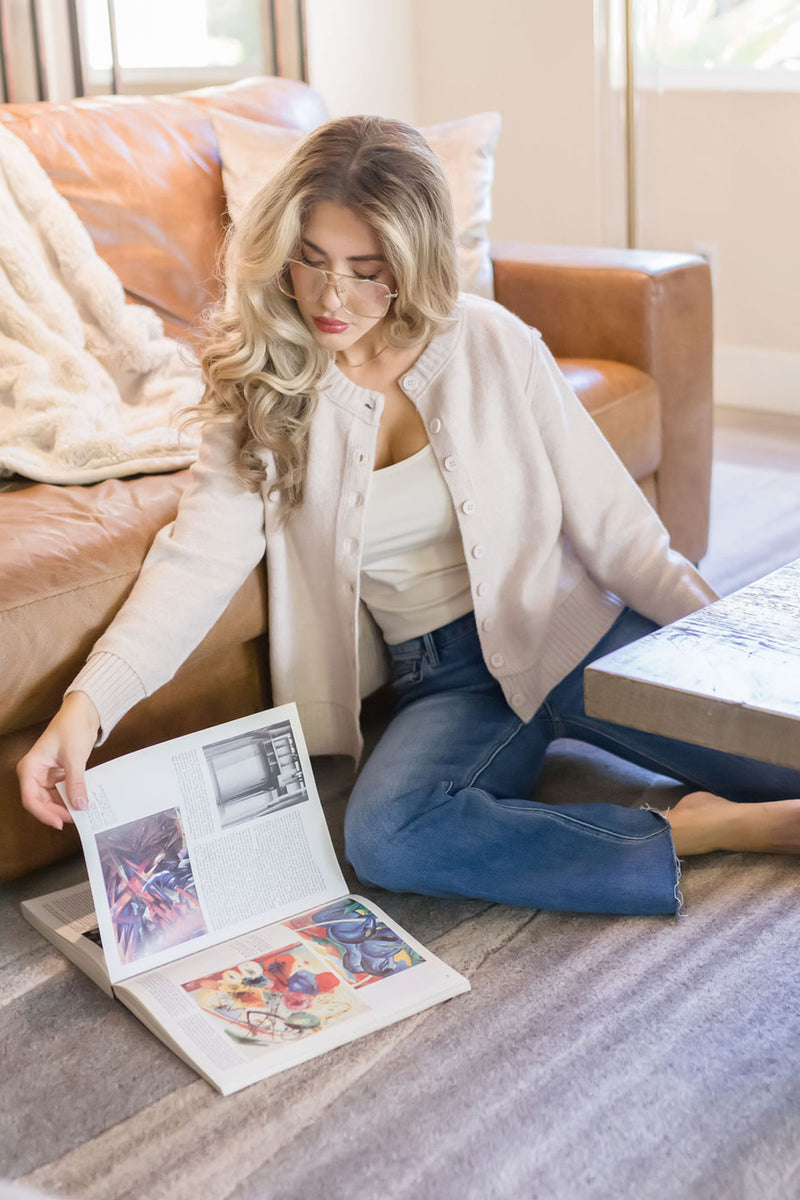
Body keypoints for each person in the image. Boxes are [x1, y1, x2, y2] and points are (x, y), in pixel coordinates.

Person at [17, 115, 800, 917]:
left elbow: (626, 540)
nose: (331, 297)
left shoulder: (493, 343)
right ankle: (697, 828)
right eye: (311, 260)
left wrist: (741, 668)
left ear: (413, 263)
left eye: (367, 272)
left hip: (576, 634)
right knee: (386, 839)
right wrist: (85, 708)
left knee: (789, 754)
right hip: (446, 680)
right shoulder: (263, 391)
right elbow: (195, 563)